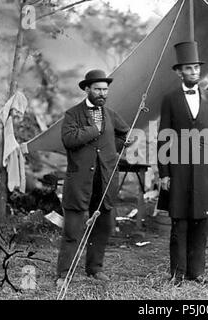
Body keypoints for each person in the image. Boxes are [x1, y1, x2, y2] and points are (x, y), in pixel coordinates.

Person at [56, 69, 130, 286]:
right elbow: (68, 140)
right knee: (73, 229)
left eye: (105, 90)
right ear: (87, 89)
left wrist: (111, 151)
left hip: (104, 180)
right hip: (79, 181)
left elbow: (123, 133)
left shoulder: (111, 114)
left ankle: (94, 268)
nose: (102, 94)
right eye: (97, 89)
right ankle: (64, 273)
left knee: (102, 226)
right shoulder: (72, 114)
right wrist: (93, 130)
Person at [157, 41, 208, 286]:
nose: (195, 72)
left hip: (205, 169)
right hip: (179, 168)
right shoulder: (170, 99)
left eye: (196, 68)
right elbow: (163, 136)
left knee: (201, 221)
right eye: (189, 68)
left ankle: (197, 272)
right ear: (179, 72)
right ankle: (177, 273)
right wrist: (164, 172)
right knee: (180, 221)